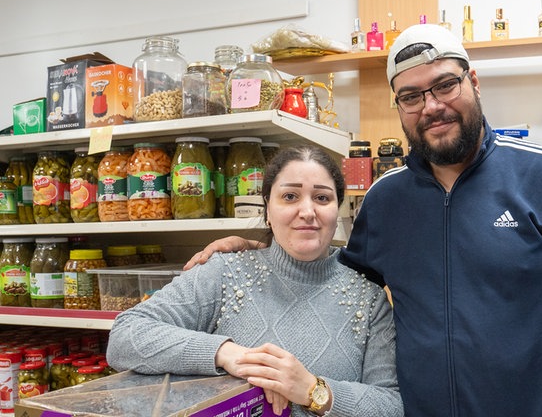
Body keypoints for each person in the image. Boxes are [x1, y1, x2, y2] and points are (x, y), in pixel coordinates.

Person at [185, 24, 542, 416]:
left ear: (473, 82)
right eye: (412, 96)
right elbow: (339, 280)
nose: (431, 106)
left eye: (445, 85)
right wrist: (260, 251)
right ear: (399, 107)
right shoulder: (385, 197)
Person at [107, 145, 403, 417]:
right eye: (290, 196)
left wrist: (313, 390)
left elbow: (391, 405)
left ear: (336, 210)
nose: (307, 211)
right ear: (267, 209)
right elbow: (125, 336)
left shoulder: (369, 299)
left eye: (322, 197)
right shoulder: (225, 272)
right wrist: (227, 354)